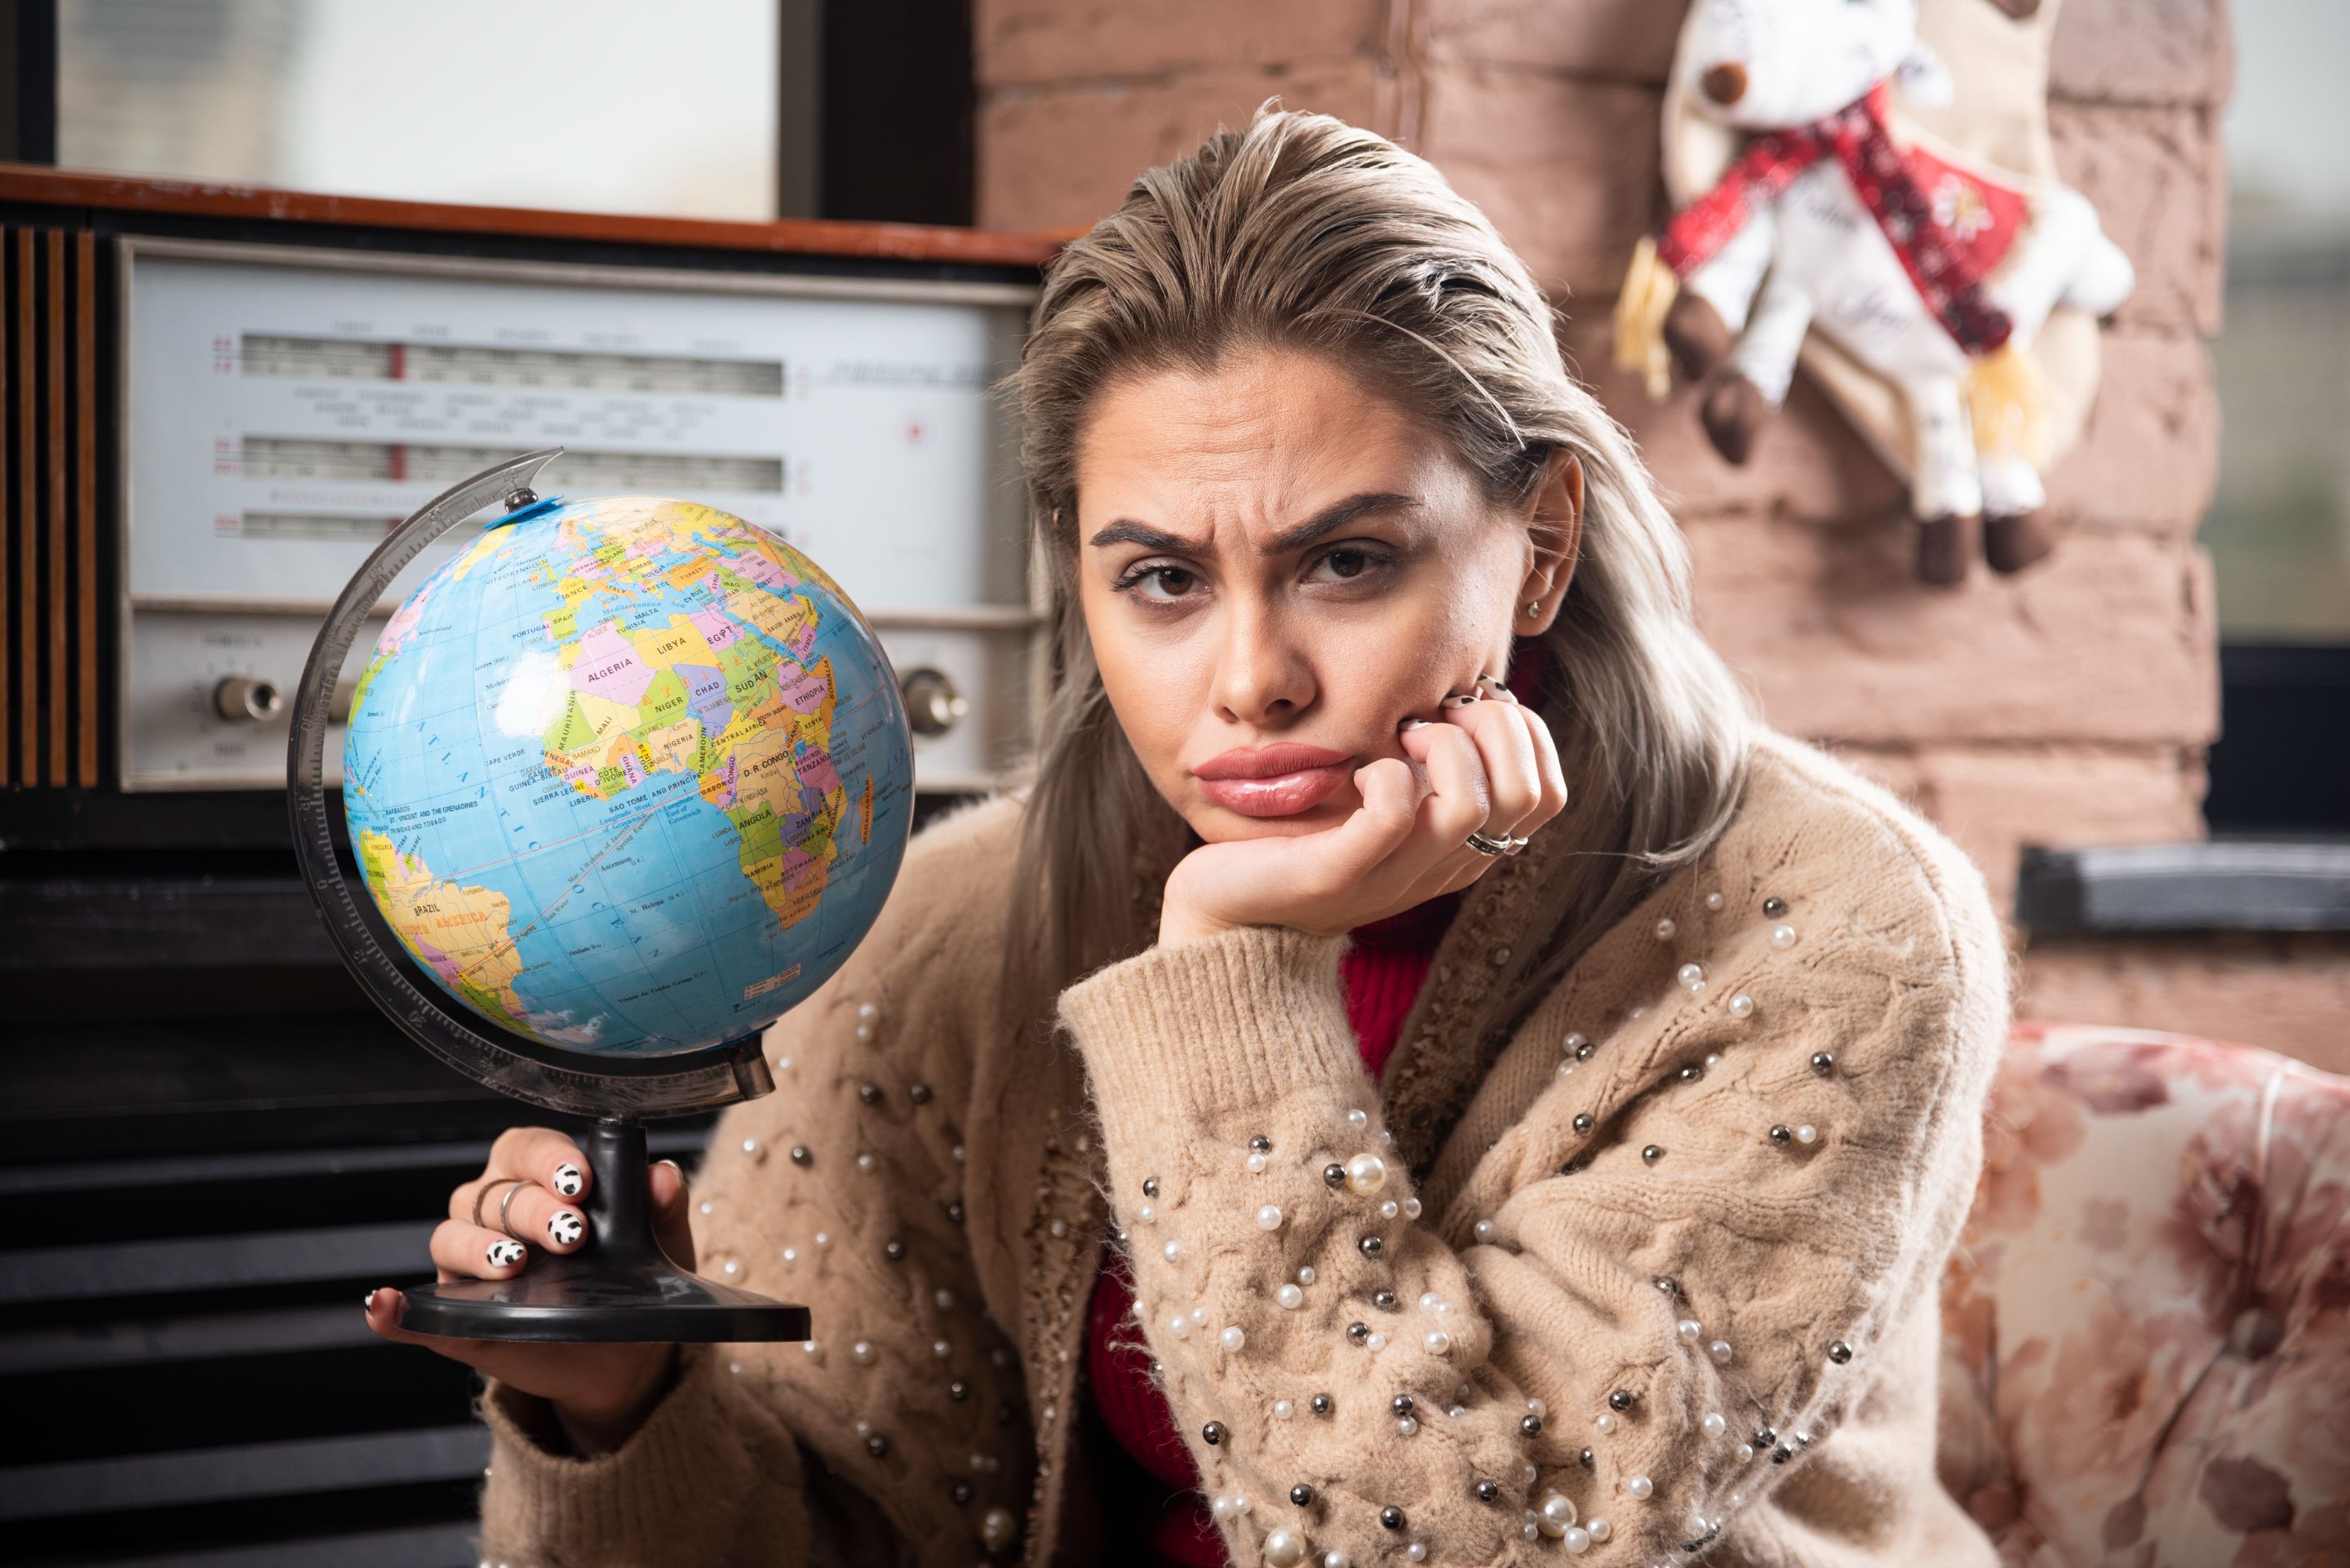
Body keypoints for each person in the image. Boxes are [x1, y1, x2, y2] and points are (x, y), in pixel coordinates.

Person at [364, 104, 2010, 1568]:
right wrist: (627, 1410)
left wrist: (1228, 967)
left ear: (1545, 543)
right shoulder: (938, 944)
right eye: (1162, 579)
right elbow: (873, 1521)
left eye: (1350, 561)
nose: (1252, 681)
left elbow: (1469, 1537)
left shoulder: (1836, 931)